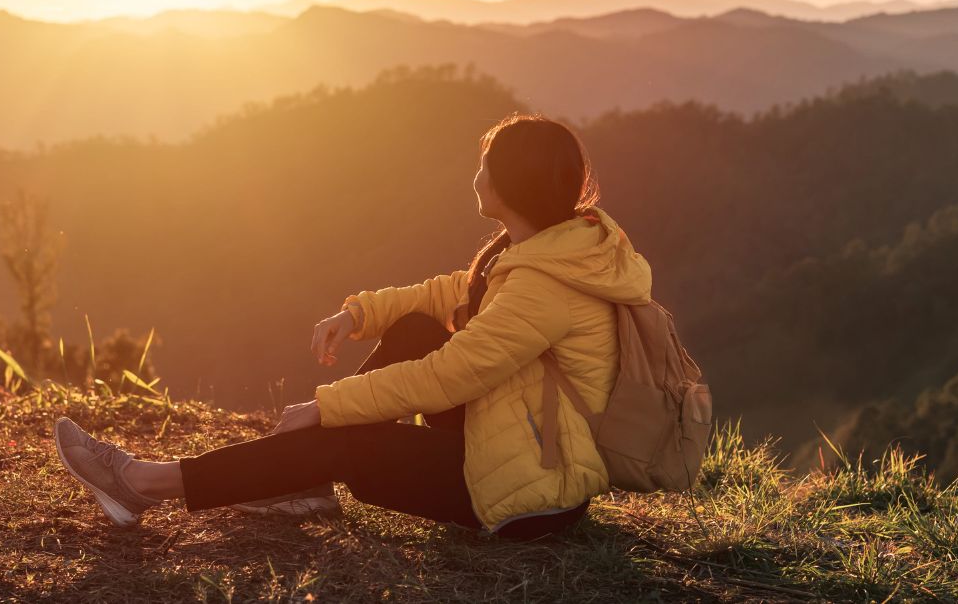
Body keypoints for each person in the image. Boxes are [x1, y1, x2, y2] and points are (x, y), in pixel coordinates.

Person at [53, 112, 656, 541]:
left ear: (510, 184)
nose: (476, 177)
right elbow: (449, 294)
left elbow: (449, 377)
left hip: (532, 495)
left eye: (485, 167)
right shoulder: (544, 249)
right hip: (520, 441)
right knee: (416, 328)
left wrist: (328, 405)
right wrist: (359, 313)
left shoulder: (545, 287)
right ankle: (303, 482)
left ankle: (144, 483)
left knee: (348, 438)